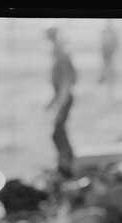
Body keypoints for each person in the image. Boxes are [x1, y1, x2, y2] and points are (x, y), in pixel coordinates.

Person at [45, 26, 77, 177]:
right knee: (59, 132)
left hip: (65, 99)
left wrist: (60, 106)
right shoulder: (59, 57)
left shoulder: (62, 58)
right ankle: (65, 162)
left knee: (57, 133)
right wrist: (52, 103)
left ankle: (66, 163)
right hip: (63, 98)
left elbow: (66, 84)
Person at [98, 20, 119, 94]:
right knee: (106, 65)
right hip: (106, 51)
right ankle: (105, 79)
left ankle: (106, 79)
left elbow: (115, 43)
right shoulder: (106, 32)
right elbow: (102, 43)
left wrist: (113, 49)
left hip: (109, 51)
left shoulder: (110, 32)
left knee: (108, 65)